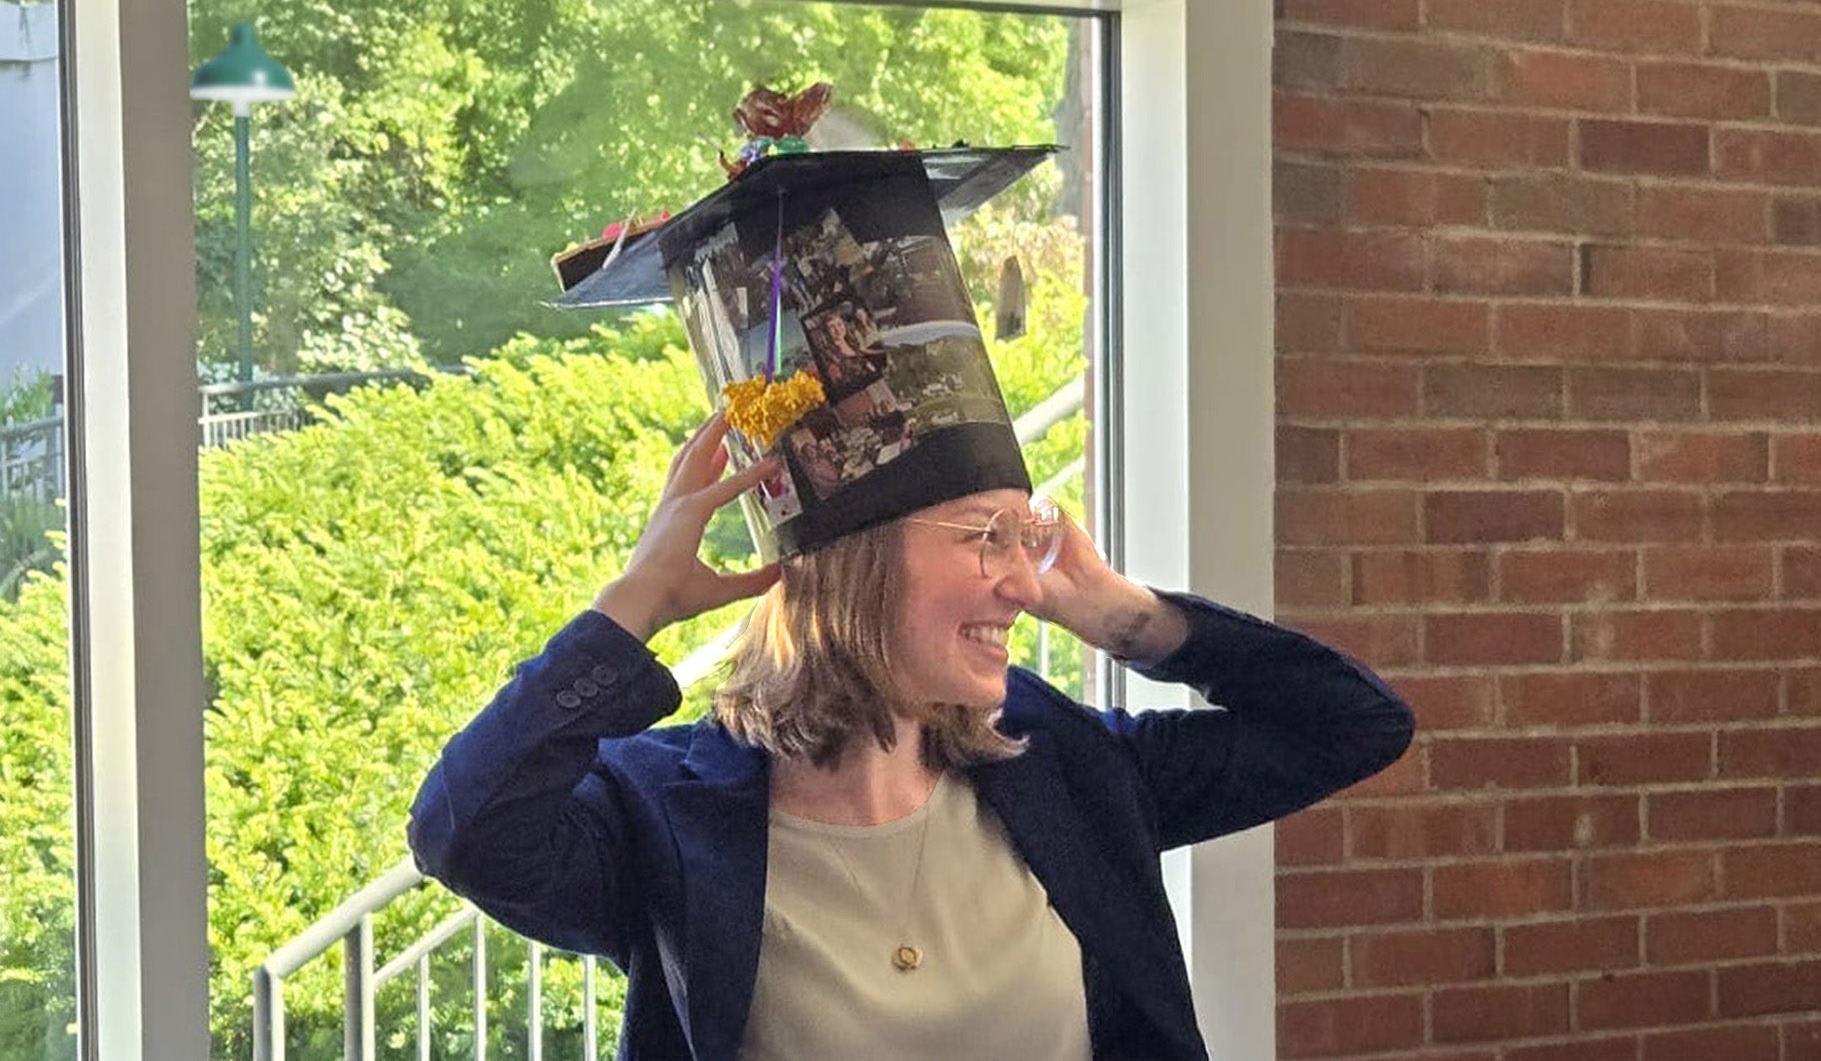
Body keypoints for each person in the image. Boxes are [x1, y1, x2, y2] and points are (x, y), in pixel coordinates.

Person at [408, 413, 1415, 1061]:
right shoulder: (665, 815)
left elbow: (1352, 725)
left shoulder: (1062, 765)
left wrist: (1120, 614)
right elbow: (465, 831)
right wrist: (631, 609)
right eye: (986, 537)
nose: (1022, 583)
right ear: (853, 563)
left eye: (1028, 538)